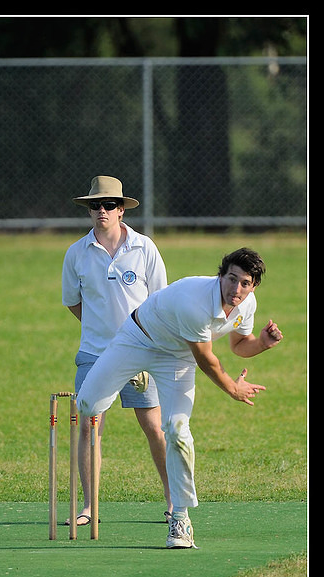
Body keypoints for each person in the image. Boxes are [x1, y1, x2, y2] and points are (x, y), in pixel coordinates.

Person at [76, 247, 284, 548]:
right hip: (140, 339)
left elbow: (239, 344)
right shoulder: (195, 301)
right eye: (231, 279)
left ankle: (181, 520)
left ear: (253, 286)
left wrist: (262, 343)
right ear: (221, 275)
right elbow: (207, 360)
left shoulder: (246, 304)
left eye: (245, 283)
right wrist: (233, 389)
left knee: (177, 430)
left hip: (177, 360)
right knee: (86, 405)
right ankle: (132, 372)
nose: (236, 289)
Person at [62, 175, 172, 526]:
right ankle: (90, 508)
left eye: (109, 205)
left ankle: (175, 500)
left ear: (122, 209)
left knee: (155, 427)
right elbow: (73, 303)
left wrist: (137, 342)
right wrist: (101, 333)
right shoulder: (76, 253)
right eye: (95, 205)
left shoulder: (144, 247)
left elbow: (160, 302)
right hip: (95, 354)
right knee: (89, 427)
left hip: (142, 350)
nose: (102, 211)